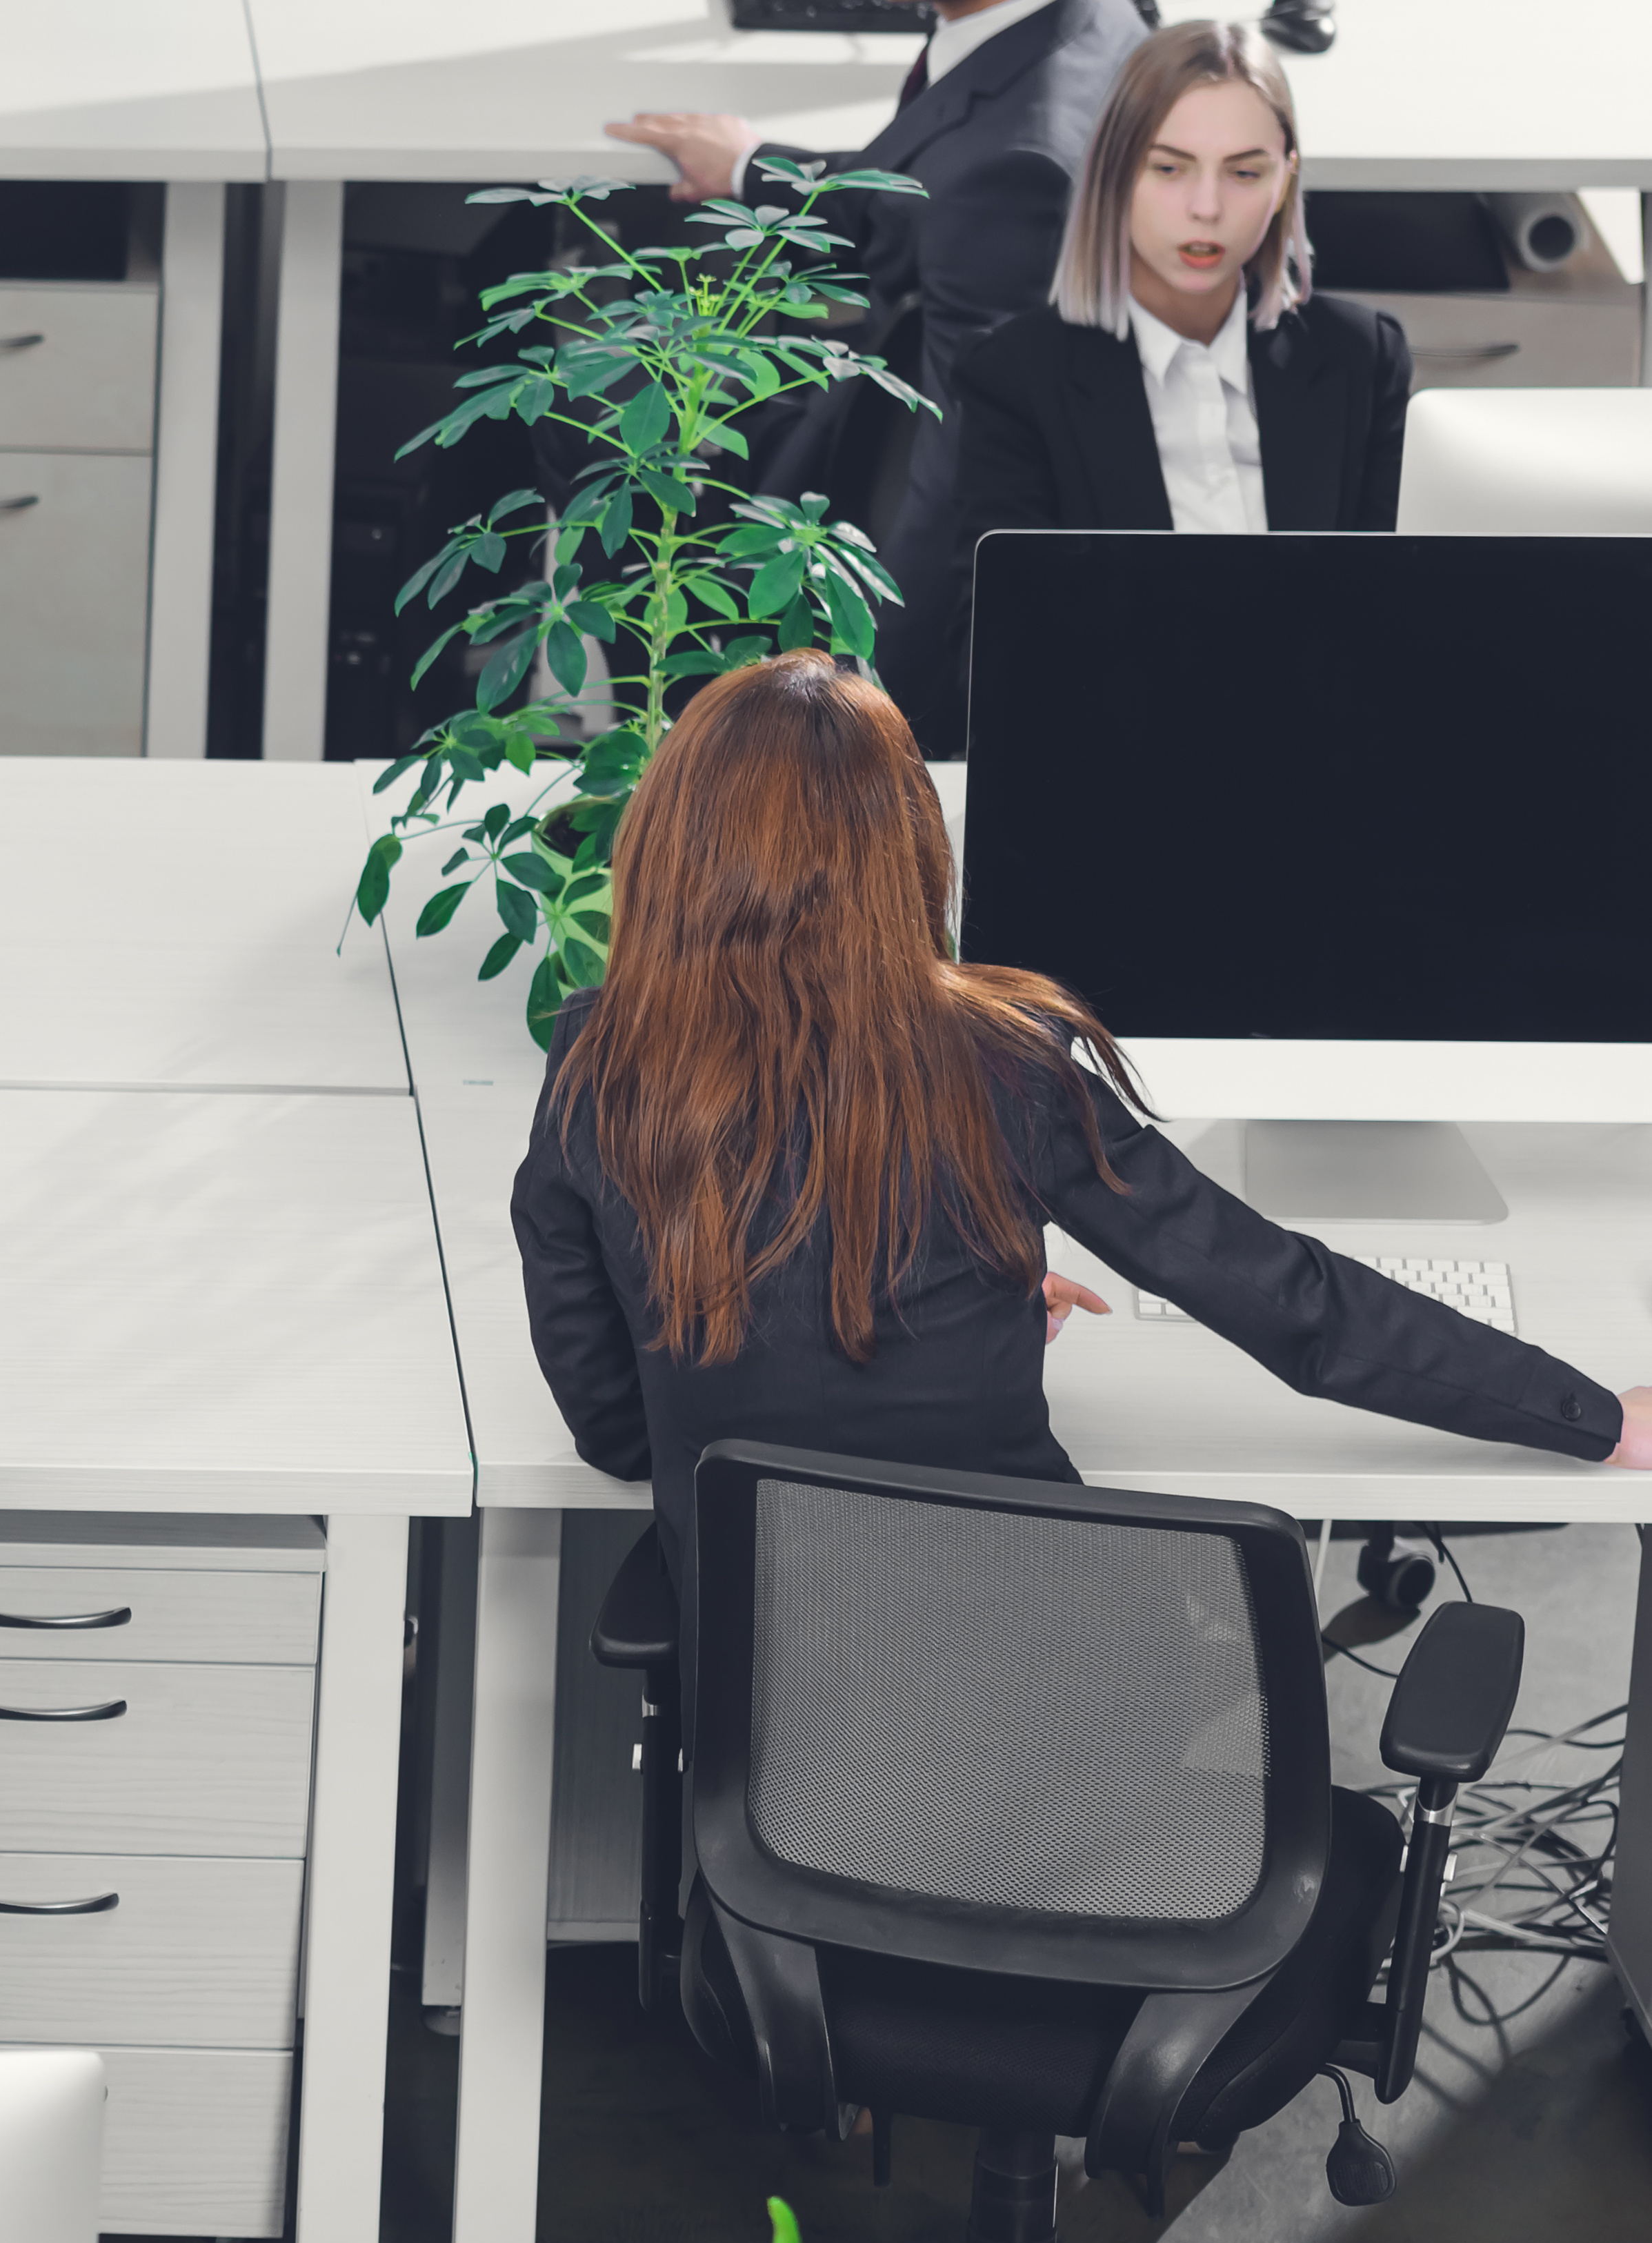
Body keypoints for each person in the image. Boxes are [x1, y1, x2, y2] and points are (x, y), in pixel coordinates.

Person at [512, 651, 1650, 1605]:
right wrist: (1591, 1416)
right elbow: (1288, 1304)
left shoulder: (595, 1064)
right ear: (899, 845)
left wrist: (948, 1293)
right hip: (1051, 1735)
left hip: (778, 1791)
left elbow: (615, 1428)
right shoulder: (1001, 1064)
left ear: (669, 847)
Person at [606, 0, 1155, 759]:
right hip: (886, 348)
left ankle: (647, 750)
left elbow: (961, 495)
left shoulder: (1022, 166)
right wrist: (758, 166)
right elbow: (920, 196)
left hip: (877, 491)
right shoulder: (1084, 10)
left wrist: (856, 723)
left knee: (596, 416)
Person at [919, 19, 1406, 582]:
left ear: (1284, 184)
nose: (1206, 207)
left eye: (1245, 172)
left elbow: (1391, 598)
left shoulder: (1362, 356)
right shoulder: (1014, 379)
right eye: (1170, 168)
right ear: (1117, 173)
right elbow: (994, 643)